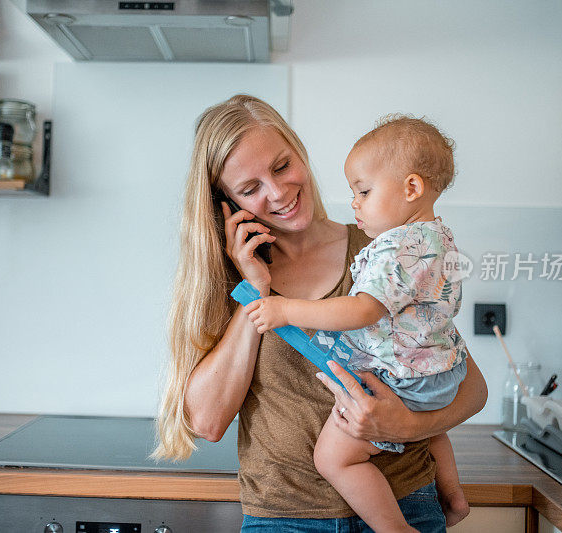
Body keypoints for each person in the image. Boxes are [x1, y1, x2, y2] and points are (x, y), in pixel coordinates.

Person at [153, 94, 487, 533]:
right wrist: (255, 290)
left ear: (299, 152)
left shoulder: (381, 249)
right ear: (227, 204)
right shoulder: (228, 282)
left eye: (281, 166)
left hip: (404, 503)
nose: (277, 193)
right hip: (284, 517)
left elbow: (469, 387)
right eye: (250, 189)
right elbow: (206, 421)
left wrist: (408, 425)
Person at [242, 115, 470, 532]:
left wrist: (286, 309)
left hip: (405, 380)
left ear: (411, 188)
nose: (355, 202)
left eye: (363, 191)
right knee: (430, 424)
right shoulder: (435, 237)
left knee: (333, 458)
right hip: (434, 374)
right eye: (249, 188)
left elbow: (363, 309)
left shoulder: (395, 247)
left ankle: (394, 528)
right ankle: (453, 493)